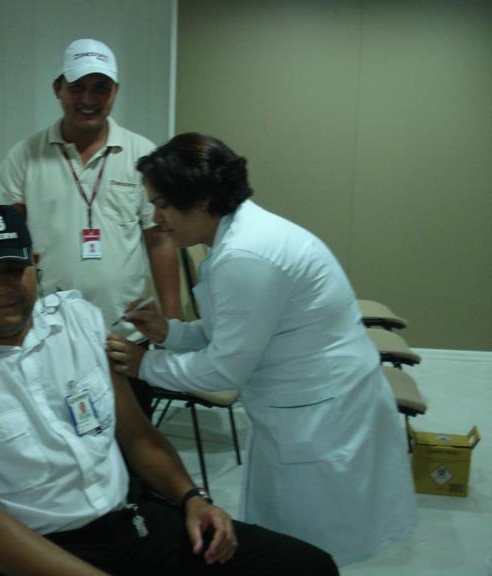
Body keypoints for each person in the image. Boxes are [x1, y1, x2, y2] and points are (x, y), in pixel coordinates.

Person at [0, 205, 339, 576]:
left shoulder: (77, 321)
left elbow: (137, 436)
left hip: (127, 526)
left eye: (15, 269)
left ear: (35, 266)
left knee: (307, 567)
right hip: (23, 554)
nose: (3, 287)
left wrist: (192, 498)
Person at [106, 133, 417, 567]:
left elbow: (223, 371)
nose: (156, 218)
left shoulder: (246, 255)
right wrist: (170, 334)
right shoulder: (238, 236)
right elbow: (233, 333)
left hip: (322, 417)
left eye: (162, 204)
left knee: (310, 554)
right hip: (306, 407)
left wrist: (146, 365)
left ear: (201, 200)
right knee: (289, 546)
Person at [0, 37, 182, 336]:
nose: (88, 99)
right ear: (58, 89)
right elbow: (9, 245)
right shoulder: (25, 156)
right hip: (49, 329)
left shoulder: (143, 155)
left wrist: (173, 326)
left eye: (101, 88)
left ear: (115, 91)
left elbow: (159, 240)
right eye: (77, 86)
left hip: (124, 331)